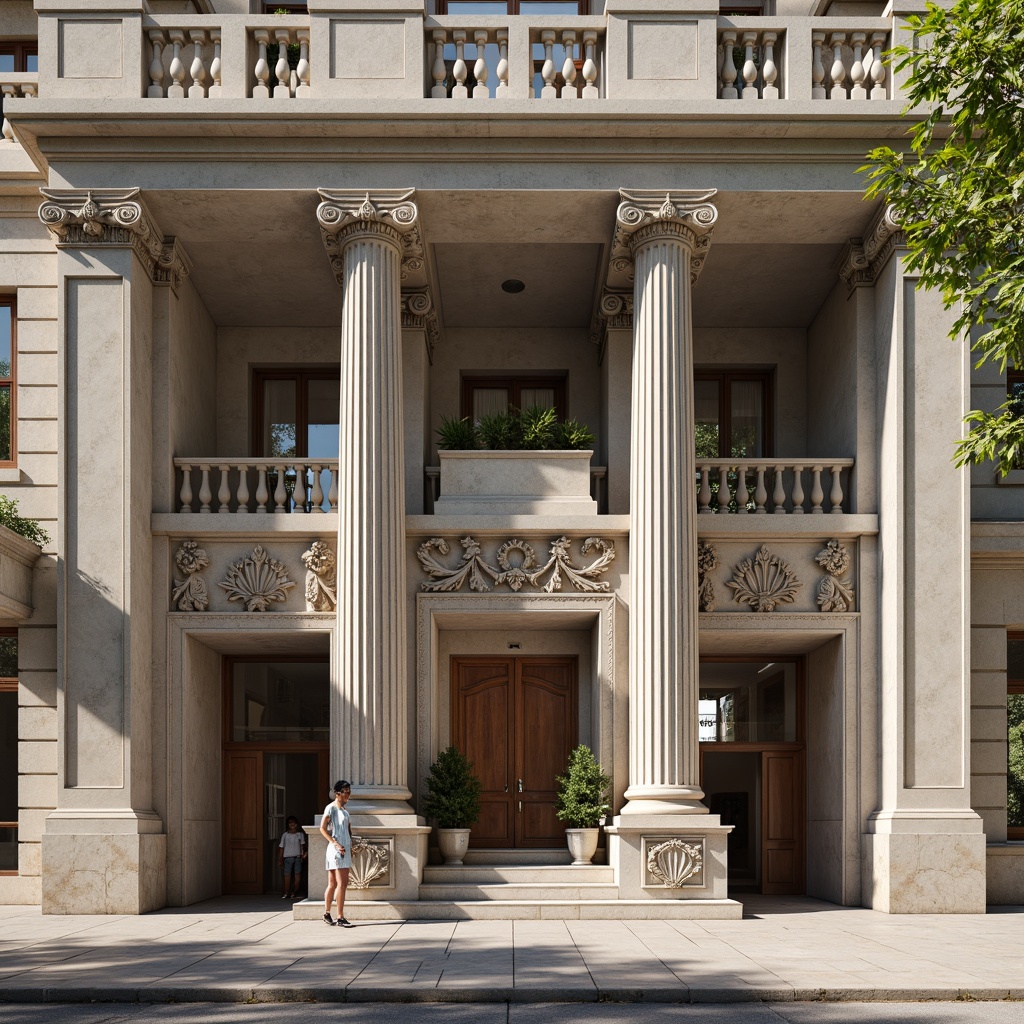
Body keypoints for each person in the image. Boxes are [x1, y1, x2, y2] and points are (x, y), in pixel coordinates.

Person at [319, 779, 355, 927]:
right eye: (345, 792)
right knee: (342, 884)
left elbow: (348, 830)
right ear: (337, 793)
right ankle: (340, 917)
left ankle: (327, 913)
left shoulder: (345, 811)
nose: (348, 795)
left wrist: (350, 845)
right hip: (336, 850)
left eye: (349, 792)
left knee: (333, 883)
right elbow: (322, 828)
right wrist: (335, 843)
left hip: (344, 849)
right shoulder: (331, 808)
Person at [277, 815, 307, 900]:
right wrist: (280, 859)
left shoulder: (300, 835)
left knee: (297, 875)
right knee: (287, 876)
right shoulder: (285, 835)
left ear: (297, 824)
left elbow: (302, 846)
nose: (292, 824)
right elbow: (281, 848)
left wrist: (303, 855)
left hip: (297, 857)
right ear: (287, 824)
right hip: (287, 858)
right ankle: (287, 892)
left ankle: (294, 892)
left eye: (294, 822)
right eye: (290, 822)